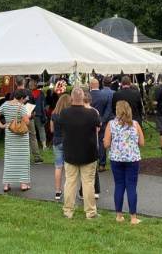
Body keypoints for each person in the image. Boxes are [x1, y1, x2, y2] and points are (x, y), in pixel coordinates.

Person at [59, 88, 100, 219]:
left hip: (70, 153)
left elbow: (60, 128)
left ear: (71, 98)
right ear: (83, 98)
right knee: (88, 183)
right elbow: (98, 126)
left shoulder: (64, 113)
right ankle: (90, 212)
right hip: (88, 153)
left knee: (70, 182)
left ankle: (68, 211)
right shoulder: (92, 114)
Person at [104, 101, 145, 224]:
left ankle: (119, 215)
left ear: (117, 111)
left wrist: (108, 142)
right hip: (132, 159)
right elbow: (142, 143)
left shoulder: (111, 124)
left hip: (116, 158)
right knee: (131, 186)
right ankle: (133, 217)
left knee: (119, 185)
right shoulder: (136, 124)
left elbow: (106, 144)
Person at [0, 90, 31, 192]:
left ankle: (6, 185)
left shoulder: (5, 105)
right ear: (21, 98)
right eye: (24, 99)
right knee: (23, 159)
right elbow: (27, 122)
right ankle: (23, 184)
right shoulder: (22, 107)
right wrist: (29, 115)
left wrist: (1, 125)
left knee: (9, 159)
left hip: (9, 135)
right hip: (21, 137)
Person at [49, 94, 71, 200]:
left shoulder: (54, 114)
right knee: (68, 168)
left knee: (58, 167)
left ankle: (57, 191)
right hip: (67, 141)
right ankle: (68, 190)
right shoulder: (70, 115)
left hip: (57, 141)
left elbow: (51, 130)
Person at [89, 78, 113, 172]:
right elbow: (108, 109)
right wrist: (102, 120)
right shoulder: (105, 95)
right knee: (102, 142)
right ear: (98, 85)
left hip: (89, 123)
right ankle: (102, 164)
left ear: (91, 85)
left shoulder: (87, 95)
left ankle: (91, 162)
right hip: (102, 122)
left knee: (90, 142)